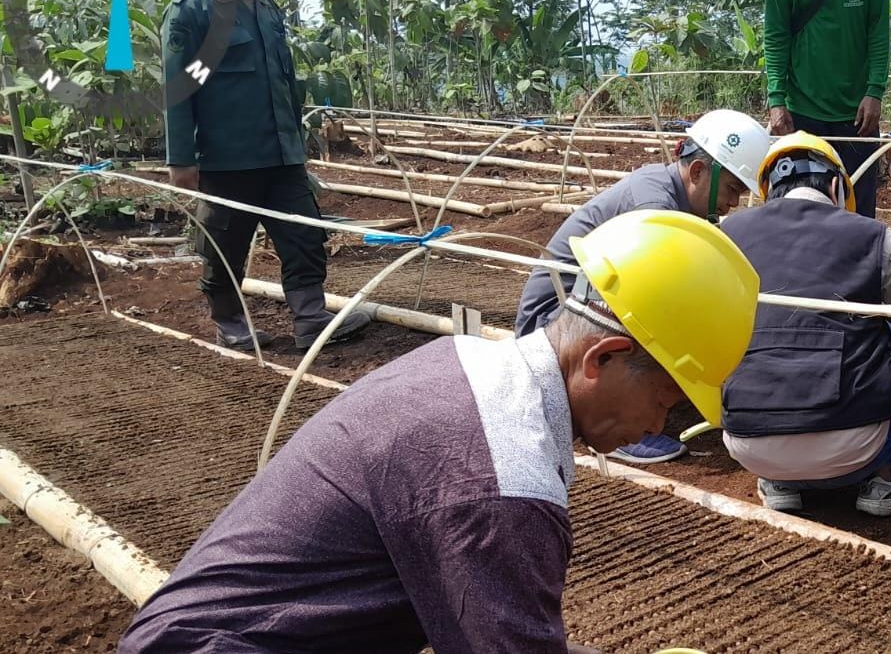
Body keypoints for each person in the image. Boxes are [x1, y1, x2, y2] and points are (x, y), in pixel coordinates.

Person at [119, 210, 762, 653]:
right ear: (603, 359)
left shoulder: (468, 363)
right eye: (666, 401)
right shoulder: (503, 482)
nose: (659, 425)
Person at [161, 0, 371, 352]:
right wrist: (182, 158)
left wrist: (298, 143)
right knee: (223, 247)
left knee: (304, 235)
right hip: (228, 158)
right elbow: (180, 89)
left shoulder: (267, 9)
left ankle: (310, 318)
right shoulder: (193, 11)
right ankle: (231, 322)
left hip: (281, 153)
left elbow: (282, 82)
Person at [514, 109, 772, 464]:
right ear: (697, 171)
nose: (733, 203)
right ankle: (615, 419)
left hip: (582, 312)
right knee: (657, 309)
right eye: (731, 189)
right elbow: (656, 298)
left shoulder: (671, 199)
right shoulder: (655, 206)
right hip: (555, 323)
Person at [718, 135, 891, 516]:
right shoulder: (873, 236)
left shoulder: (728, 234)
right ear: (835, 186)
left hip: (748, 445)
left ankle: (780, 481)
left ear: (768, 191)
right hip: (853, 448)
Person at [763, 0, 891, 218]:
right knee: (797, 208)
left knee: (858, 212)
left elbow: (878, 27)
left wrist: (875, 91)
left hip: (856, 115)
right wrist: (777, 100)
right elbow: (776, 33)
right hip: (802, 111)